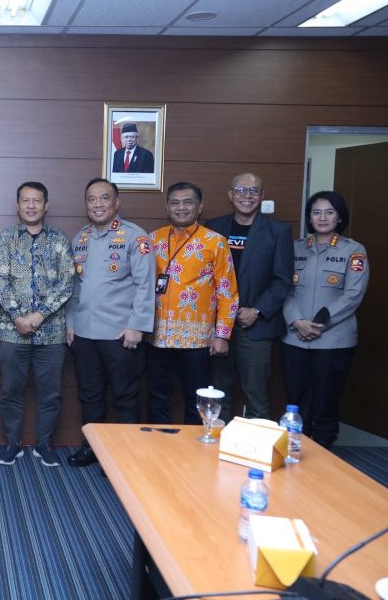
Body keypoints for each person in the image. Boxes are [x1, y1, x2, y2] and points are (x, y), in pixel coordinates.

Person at [66, 178, 155, 467]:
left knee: (125, 396)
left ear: (117, 203)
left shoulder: (135, 237)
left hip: (120, 333)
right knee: (90, 395)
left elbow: (145, 285)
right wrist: (71, 323)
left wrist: (137, 326)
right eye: (91, 199)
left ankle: (124, 457)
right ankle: (92, 448)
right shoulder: (80, 238)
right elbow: (75, 287)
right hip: (84, 332)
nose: (98, 204)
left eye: (104, 198)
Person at [0, 182, 74, 467]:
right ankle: (12, 444)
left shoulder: (59, 239)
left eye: (36, 200)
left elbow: (67, 282)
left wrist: (39, 316)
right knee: (10, 392)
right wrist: (17, 317)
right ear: (17, 206)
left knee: (51, 393)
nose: (31, 205)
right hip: (13, 332)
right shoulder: (5, 239)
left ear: (46, 206)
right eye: (25, 200)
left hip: (51, 333)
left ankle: (43, 444)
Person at [281, 191, 368, 448]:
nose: (322, 217)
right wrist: (297, 321)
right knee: (296, 398)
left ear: (339, 217)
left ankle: (324, 452)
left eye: (329, 212)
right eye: (316, 212)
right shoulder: (295, 248)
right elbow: (284, 288)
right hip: (295, 338)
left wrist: (319, 324)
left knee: (325, 401)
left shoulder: (353, 251)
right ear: (309, 217)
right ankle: (296, 448)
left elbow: (353, 294)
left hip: (333, 341)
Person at [146, 182, 238, 424]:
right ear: (167, 207)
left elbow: (227, 291)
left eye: (188, 202)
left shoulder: (215, 242)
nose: (181, 208)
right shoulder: (153, 239)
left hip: (196, 340)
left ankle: (193, 447)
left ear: (200, 207)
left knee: (196, 399)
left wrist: (222, 335)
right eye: (175, 203)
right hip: (157, 336)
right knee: (157, 397)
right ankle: (157, 444)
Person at [205, 173, 293, 420]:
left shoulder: (279, 231)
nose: (247, 196)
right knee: (217, 392)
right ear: (230, 194)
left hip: (255, 325)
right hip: (217, 325)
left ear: (262, 195)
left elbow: (283, 280)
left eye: (254, 191)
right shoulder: (213, 227)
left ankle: (256, 443)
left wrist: (257, 310)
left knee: (256, 394)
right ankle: (216, 441)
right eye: (241, 190)